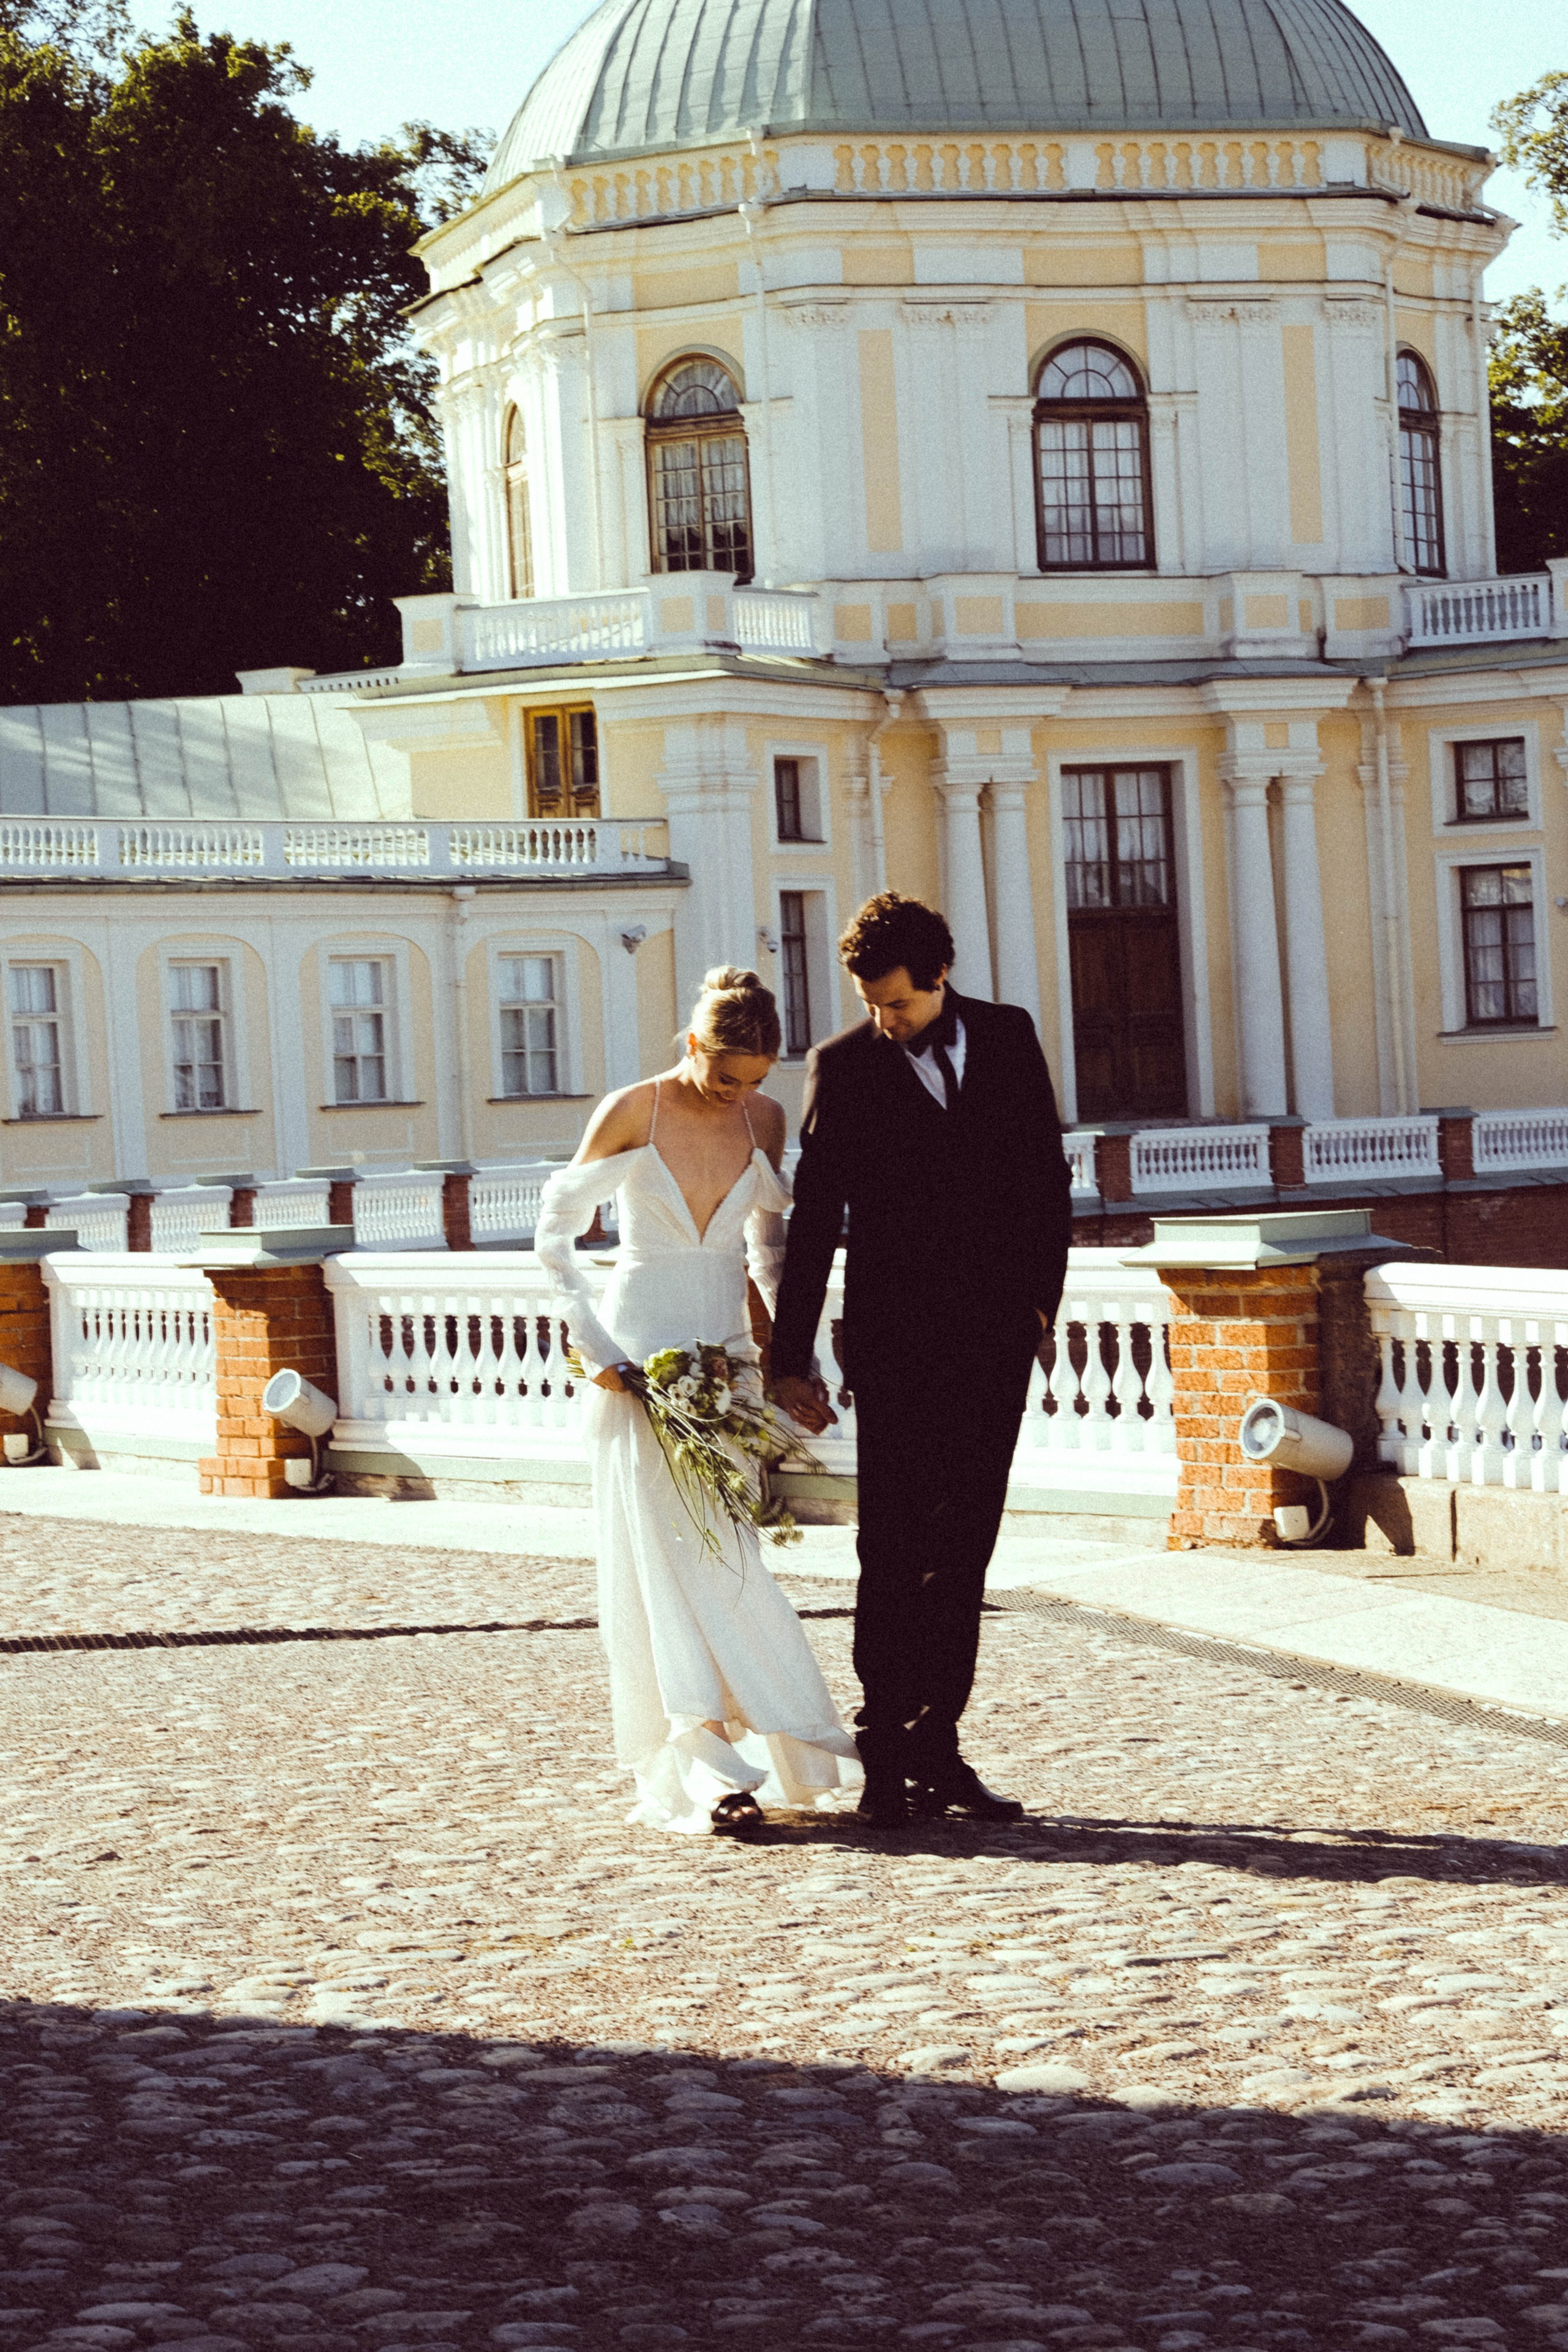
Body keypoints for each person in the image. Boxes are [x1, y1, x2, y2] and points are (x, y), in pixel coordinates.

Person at [533, 966, 860, 1837]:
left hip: (727, 1363)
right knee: (662, 1560)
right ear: (693, 1046)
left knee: (727, 1555)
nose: (738, 1095)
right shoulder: (632, 1110)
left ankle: (763, 1736)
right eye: (725, 1076)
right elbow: (554, 1238)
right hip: (638, 1356)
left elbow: (770, 1253)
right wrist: (594, 1347)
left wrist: (797, 1361)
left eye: (755, 1080)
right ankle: (707, 1764)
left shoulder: (764, 1118)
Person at [769, 894, 1074, 1827]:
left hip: (993, 1343)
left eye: (897, 1003)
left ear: (937, 978)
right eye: (871, 1004)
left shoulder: (1011, 1036)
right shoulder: (841, 1066)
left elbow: (1046, 1179)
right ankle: (883, 1756)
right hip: (896, 1347)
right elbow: (816, 1217)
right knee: (892, 1550)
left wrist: (1036, 1305)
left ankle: (940, 1743)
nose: (884, 1020)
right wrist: (791, 1356)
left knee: (965, 1551)